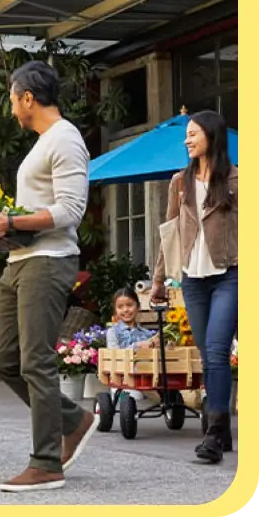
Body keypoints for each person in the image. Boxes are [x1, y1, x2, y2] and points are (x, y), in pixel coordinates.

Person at [0, 60, 96, 493]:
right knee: (3, 359)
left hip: (49, 259)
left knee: (36, 362)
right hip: (20, 260)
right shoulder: (43, 143)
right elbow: (29, 214)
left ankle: (46, 463)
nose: (11, 110)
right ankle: (73, 420)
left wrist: (9, 222)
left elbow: (70, 211)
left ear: (28, 97)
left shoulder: (66, 139)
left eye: (12, 99)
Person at [151, 110, 238, 464]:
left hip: (230, 274)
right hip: (193, 279)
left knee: (216, 352)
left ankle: (214, 434)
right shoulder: (179, 183)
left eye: (192, 134)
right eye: (185, 135)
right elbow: (170, 235)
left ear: (211, 137)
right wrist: (158, 280)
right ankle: (223, 429)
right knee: (208, 355)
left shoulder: (238, 181)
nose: (186, 140)